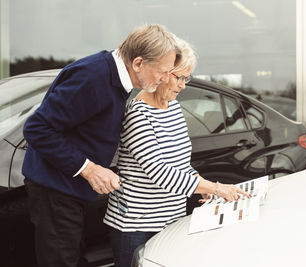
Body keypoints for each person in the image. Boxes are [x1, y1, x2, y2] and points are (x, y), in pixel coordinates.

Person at [22, 24, 181, 267]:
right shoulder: (92, 76)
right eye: (163, 71)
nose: (165, 79)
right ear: (138, 63)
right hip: (54, 189)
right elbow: (37, 128)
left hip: (71, 190)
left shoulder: (117, 77)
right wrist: (89, 169)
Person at [103, 38, 250, 267]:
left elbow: (180, 164)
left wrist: (203, 186)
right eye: (178, 77)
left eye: (186, 78)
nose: (183, 85)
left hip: (172, 219)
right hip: (137, 225)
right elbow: (160, 172)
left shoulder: (173, 107)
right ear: (161, 73)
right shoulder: (139, 115)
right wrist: (216, 188)